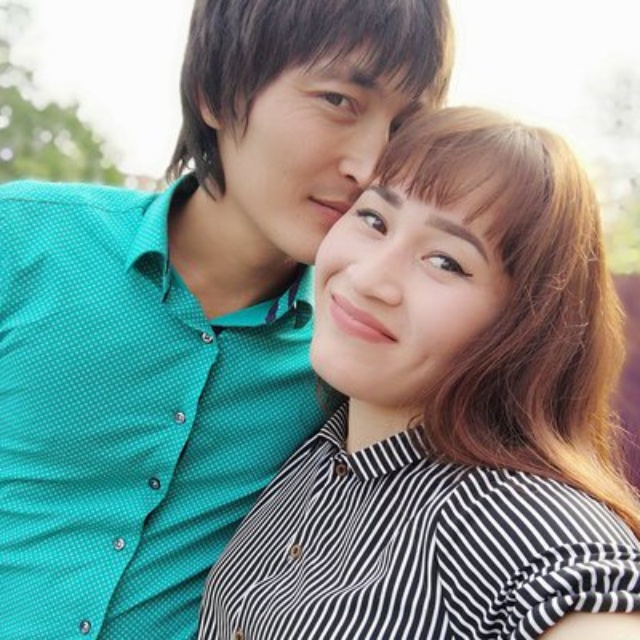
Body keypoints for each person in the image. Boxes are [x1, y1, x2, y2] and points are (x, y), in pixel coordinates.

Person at [0, 1, 453, 638]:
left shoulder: (356, 357)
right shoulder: (23, 237)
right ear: (215, 92)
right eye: (338, 100)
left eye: (405, 126)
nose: (370, 168)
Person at [198, 106, 640, 639]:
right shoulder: (316, 447)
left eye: (445, 262)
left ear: (524, 326)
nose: (369, 278)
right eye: (374, 220)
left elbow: (580, 584)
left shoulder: (511, 520)